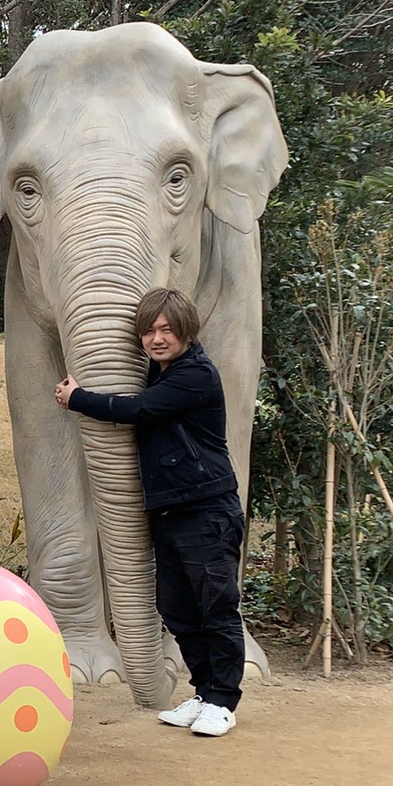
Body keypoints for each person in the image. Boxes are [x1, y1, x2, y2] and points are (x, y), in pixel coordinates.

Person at [54, 288, 246, 738]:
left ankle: (223, 701)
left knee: (215, 608)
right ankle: (203, 693)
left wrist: (78, 398)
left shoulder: (195, 374)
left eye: (167, 330)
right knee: (178, 609)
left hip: (207, 509)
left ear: (186, 331)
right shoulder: (162, 374)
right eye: (149, 331)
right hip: (170, 511)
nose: (157, 339)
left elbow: (137, 410)